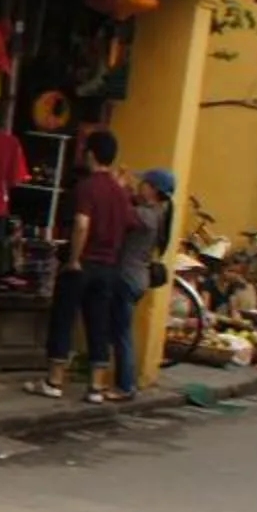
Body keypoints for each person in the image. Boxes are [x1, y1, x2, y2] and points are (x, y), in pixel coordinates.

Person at [30, 129, 136, 403]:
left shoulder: (87, 187)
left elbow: (81, 223)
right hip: (108, 266)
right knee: (98, 324)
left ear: (90, 154)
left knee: (64, 318)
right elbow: (130, 224)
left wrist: (74, 258)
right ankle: (96, 387)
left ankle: (54, 380)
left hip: (85, 262)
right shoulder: (119, 192)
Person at [112, 166, 176, 397]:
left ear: (152, 190)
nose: (140, 186)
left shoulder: (147, 215)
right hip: (137, 277)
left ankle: (125, 385)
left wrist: (117, 188)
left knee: (122, 334)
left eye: (144, 184)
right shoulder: (156, 213)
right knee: (120, 331)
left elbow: (121, 212)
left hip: (128, 277)